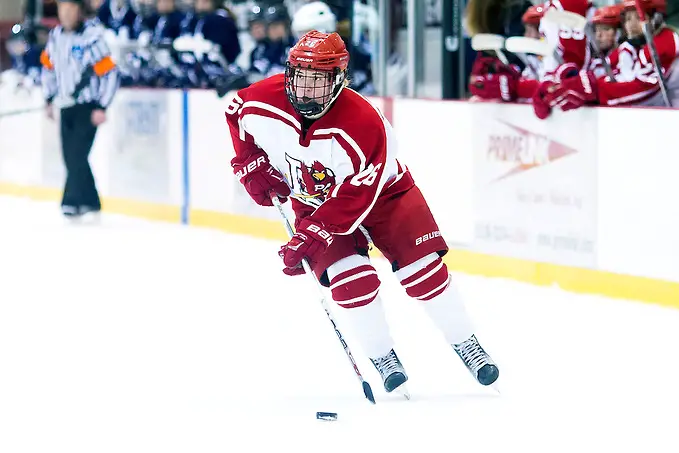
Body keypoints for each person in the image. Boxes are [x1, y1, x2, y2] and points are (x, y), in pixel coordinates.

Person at [226, 31, 500, 394]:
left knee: (424, 273)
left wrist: (313, 234)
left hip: (386, 196)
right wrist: (249, 162)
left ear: (339, 79)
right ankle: (382, 355)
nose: (306, 91)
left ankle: (466, 343)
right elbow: (235, 112)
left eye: (318, 81)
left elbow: (358, 195)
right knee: (351, 281)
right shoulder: (263, 98)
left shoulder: (365, 124)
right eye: (300, 78)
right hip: (316, 201)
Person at [40, 0, 120, 218]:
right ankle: (91, 202)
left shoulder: (92, 38)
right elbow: (48, 68)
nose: (65, 13)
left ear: (79, 10)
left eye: (70, 8)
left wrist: (102, 105)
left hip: (88, 106)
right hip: (66, 106)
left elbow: (110, 73)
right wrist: (48, 98)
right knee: (70, 156)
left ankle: (71, 201)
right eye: (61, 7)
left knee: (76, 154)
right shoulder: (55, 36)